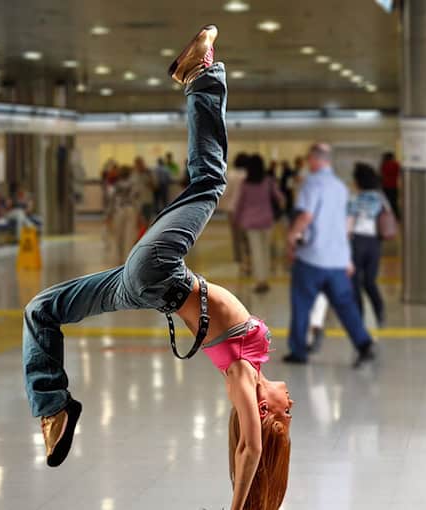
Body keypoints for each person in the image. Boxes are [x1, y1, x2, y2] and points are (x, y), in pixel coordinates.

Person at [22, 27, 292, 510]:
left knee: (210, 181)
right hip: (144, 287)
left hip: (161, 273)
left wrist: (239, 507)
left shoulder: (243, 379)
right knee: (42, 309)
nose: (291, 405)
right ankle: (53, 409)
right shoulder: (249, 371)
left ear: (266, 411)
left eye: (286, 415)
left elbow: (251, 450)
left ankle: (202, 74)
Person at [283, 143, 377, 366]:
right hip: (337, 259)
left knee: (302, 304)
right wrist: (347, 258)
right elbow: (344, 224)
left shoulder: (311, 183)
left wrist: (291, 237)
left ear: (314, 160)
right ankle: (363, 343)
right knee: (345, 304)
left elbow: (306, 216)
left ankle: (299, 351)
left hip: (312, 257)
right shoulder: (340, 187)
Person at [236, 154, 284, 294]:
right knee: (265, 251)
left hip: (250, 222)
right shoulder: (268, 181)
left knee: (256, 251)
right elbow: (280, 197)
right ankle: (265, 279)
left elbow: (239, 203)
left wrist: (237, 219)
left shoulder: (245, 184)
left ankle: (260, 281)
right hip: (267, 220)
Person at [347, 163, 387, 326]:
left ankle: (359, 315)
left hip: (357, 241)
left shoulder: (354, 199)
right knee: (370, 280)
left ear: (358, 181)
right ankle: (379, 311)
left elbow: (349, 222)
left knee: (355, 281)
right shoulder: (380, 198)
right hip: (374, 243)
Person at [221, 152, 250, 272]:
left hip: (232, 209)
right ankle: (249, 258)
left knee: (236, 236)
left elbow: (225, 192)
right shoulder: (249, 174)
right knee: (247, 236)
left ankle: (240, 260)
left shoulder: (230, 174)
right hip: (247, 209)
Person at [105, 166, 140, 262]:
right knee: (129, 235)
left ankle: (120, 256)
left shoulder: (117, 185)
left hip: (119, 210)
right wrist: (139, 214)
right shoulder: (133, 185)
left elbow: (112, 200)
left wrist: (109, 214)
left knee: (118, 235)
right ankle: (127, 257)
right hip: (131, 210)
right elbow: (136, 199)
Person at [131, 156, 156, 224]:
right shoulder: (134, 174)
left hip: (147, 201)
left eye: (140, 163)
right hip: (136, 202)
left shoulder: (149, 173)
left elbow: (154, 187)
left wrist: (149, 181)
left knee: (147, 221)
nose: (138, 166)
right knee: (138, 222)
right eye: (137, 164)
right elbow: (132, 187)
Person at [379, 152, 401, 219]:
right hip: (394, 186)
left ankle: (388, 217)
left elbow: (381, 175)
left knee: (386, 203)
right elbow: (398, 173)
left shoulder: (384, 165)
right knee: (394, 202)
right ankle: (397, 216)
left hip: (385, 186)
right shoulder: (396, 164)